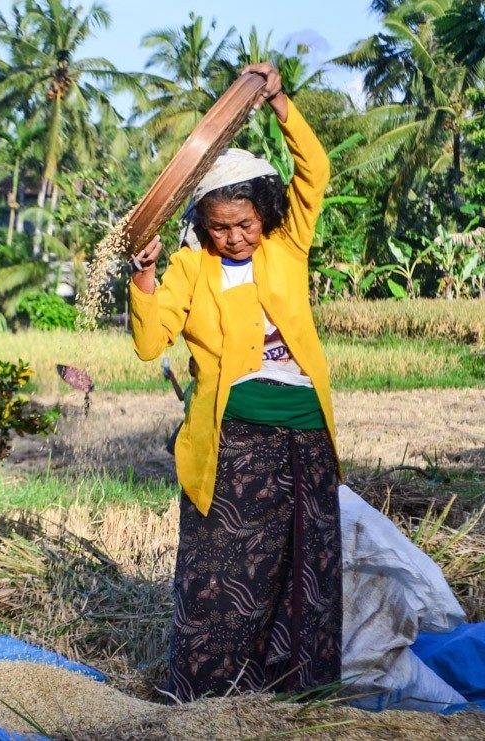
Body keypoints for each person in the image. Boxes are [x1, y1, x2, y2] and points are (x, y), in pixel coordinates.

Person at [128, 62, 341, 701]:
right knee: (220, 573)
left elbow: (316, 171)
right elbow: (148, 343)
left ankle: (298, 693)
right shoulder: (192, 268)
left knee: (305, 569)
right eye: (220, 226)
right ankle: (207, 699)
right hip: (233, 440)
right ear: (203, 221)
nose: (235, 237)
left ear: (264, 213)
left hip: (305, 433)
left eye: (244, 224)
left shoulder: (287, 246)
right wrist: (144, 279)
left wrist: (280, 104)